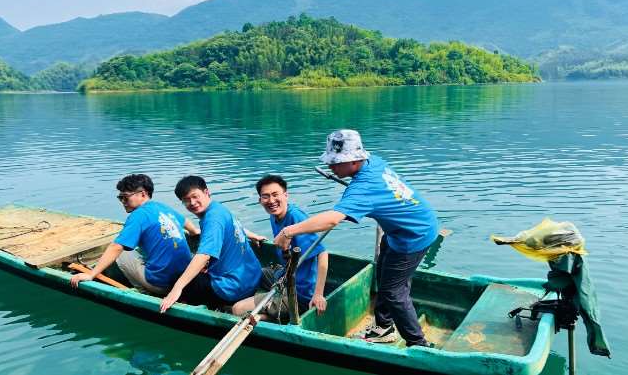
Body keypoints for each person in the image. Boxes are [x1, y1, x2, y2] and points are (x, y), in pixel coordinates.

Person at [274, 130, 439, 347]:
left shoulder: (363, 188)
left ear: (353, 161)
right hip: (402, 229)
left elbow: (332, 219)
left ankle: (418, 344)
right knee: (383, 273)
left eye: (335, 162)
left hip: (414, 235)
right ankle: (384, 326)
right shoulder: (374, 162)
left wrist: (288, 231)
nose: (330, 167)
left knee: (393, 291)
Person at [70, 174, 196, 296]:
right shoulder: (162, 206)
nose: (123, 202)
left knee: (122, 253)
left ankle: (145, 291)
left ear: (142, 194)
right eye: (120, 198)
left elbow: (116, 247)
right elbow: (187, 222)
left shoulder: (138, 216)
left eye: (126, 197)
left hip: (162, 285)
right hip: (187, 279)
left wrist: (92, 274)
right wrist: (195, 233)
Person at [160, 176, 265, 313]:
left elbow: (204, 254)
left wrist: (177, 288)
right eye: (186, 200)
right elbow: (229, 225)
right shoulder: (218, 208)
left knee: (177, 277)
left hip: (234, 288)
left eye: (195, 196)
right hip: (253, 278)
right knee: (195, 269)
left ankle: (209, 308)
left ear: (206, 192)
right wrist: (252, 235)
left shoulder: (212, 219)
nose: (192, 202)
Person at [232, 175, 329, 320]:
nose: (271, 201)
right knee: (254, 272)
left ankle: (278, 317)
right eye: (265, 196)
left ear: (286, 195)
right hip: (286, 275)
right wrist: (253, 236)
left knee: (237, 309)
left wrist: (318, 294)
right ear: (260, 200)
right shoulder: (275, 215)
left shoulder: (295, 217)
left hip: (300, 293)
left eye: (275, 195)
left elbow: (322, 253)